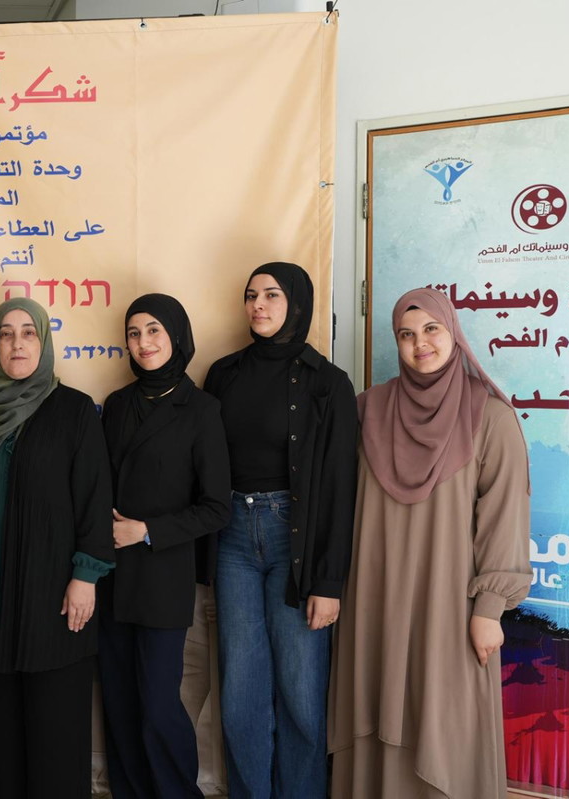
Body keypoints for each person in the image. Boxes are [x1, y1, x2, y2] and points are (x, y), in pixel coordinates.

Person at [329, 287, 530, 798]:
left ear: (453, 332)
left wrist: (489, 609)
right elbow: (334, 501)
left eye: (432, 329)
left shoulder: (491, 418)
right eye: (406, 334)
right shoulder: (367, 410)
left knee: (445, 721)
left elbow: (505, 518)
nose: (420, 343)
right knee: (374, 707)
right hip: (373, 600)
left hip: (449, 603)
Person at [0, 297, 114, 799]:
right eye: (6, 334)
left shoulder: (74, 409)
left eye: (28, 333)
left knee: (55, 739)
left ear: (44, 341)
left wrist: (85, 576)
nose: (17, 344)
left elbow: (94, 497)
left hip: (55, 599)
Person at [202, 262, 358, 799]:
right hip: (232, 537)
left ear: (297, 302)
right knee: (240, 691)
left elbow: (339, 487)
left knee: (300, 692)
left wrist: (328, 582)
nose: (258, 305)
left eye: (271, 295)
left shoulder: (328, 383)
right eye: (251, 295)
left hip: (297, 539)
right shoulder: (223, 374)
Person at [98, 293, 231, 799]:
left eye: (153, 330)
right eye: (134, 333)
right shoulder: (117, 404)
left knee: (157, 706)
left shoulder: (201, 409)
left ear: (176, 335)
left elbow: (216, 507)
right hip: (110, 575)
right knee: (119, 705)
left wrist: (147, 531)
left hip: (162, 575)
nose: (143, 342)